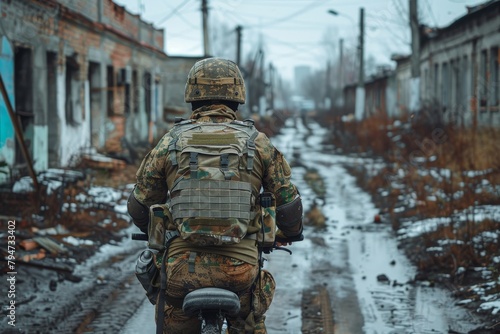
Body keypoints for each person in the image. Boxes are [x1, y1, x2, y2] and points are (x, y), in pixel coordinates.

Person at [127, 57, 303, 334]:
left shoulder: (171, 141)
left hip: (182, 270)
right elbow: (288, 205)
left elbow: (140, 204)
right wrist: (290, 232)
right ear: (237, 95)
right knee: (249, 323)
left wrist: (148, 229)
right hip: (239, 269)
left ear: (192, 95)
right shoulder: (257, 142)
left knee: (170, 317)